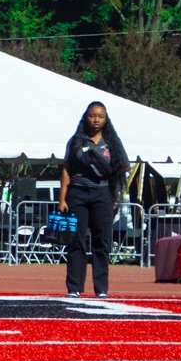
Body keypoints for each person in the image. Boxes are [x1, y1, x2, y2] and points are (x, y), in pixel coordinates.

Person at [58, 100, 128, 298]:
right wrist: (62, 198)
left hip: (103, 194)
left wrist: (115, 195)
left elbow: (122, 169)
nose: (96, 119)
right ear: (86, 117)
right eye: (92, 115)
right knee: (76, 242)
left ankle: (101, 289)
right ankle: (74, 288)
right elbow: (66, 170)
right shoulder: (76, 141)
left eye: (101, 116)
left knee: (102, 242)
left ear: (106, 119)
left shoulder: (112, 142)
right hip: (77, 193)